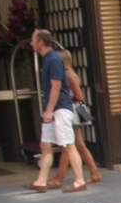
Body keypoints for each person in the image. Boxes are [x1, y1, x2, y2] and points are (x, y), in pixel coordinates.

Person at [23, 29, 85, 193]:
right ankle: (41, 181)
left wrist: (49, 111)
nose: (31, 43)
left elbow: (56, 86)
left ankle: (79, 180)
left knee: (68, 145)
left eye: (32, 40)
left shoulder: (53, 60)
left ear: (40, 42)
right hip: (53, 109)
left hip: (60, 109)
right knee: (45, 145)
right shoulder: (48, 60)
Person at [45, 50, 101, 187]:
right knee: (74, 144)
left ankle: (62, 177)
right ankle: (92, 173)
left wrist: (63, 96)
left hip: (73, 110)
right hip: (73, 110)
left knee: (71, 144)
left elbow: (79, 96)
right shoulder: (67, 74)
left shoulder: (69, 75)